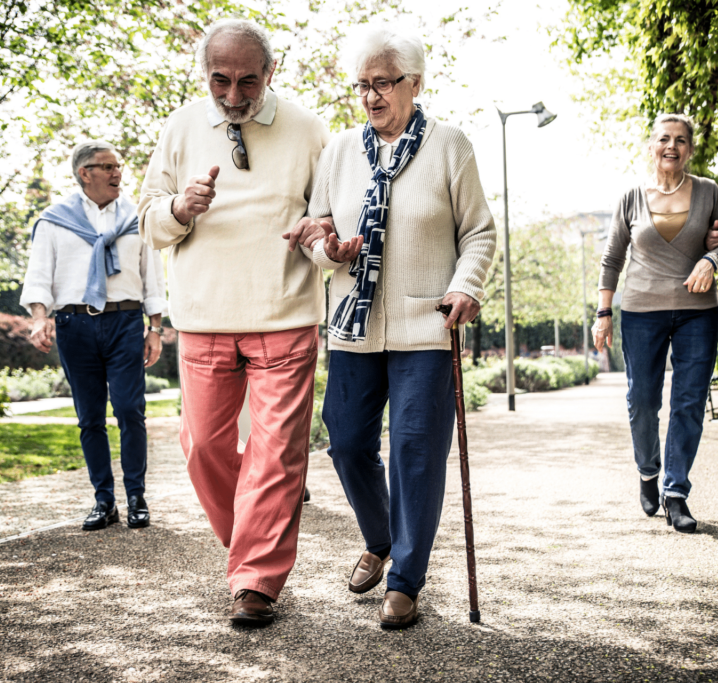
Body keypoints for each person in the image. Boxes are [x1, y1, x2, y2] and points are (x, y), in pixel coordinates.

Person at [286, 25, 495, 629]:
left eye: (383, 83)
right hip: (354, 324)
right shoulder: (340, 153)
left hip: (425, 325)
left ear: (415, 84)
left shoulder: (449, 146)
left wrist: (465, 286)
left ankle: (405, 578)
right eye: (363, 86)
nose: (372, 96)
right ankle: (380, 538)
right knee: (347, 440)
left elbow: (478, 232)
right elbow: (317, 234)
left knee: (415, 451)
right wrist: (331, 250)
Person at [137, 19, 329, 626]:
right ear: (206, 75)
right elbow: (147, 220)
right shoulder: (180, 126)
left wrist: (318, 233)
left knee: (277, 454)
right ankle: (251, 543)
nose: (234, 95)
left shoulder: (308, 130)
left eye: (249, 81)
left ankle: (255, 579)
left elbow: (328, 216)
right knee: (202, 448)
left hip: (284, 312)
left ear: (271, 73)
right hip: (203, 315)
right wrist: (178, 208)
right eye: (221, 80)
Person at [594, 114, 718, 534]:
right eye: (664, 139)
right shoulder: (632, 196)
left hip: (697, 311)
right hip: (640, 310)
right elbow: (612, 258)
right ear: (651, 146)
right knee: (642, 400)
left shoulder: (709, 191)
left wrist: (711, 259)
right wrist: (603, 313)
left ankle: (676, 493)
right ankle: (648, 472)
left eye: (680, 140)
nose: (671, 146)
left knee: (689, 402)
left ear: (691, 148)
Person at [21, 140, 167, 532]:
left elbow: (153, 276)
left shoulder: (138, 216)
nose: (117, 172)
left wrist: (155, 329)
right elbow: (39, 277)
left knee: (129, 410)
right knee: (89, 418)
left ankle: (136, 496)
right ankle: (104, 501)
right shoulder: (54, 220)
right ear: (85, 173)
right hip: (75, 325)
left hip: (125, 322)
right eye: (107, 166)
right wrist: (39, 318)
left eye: (118, 165)